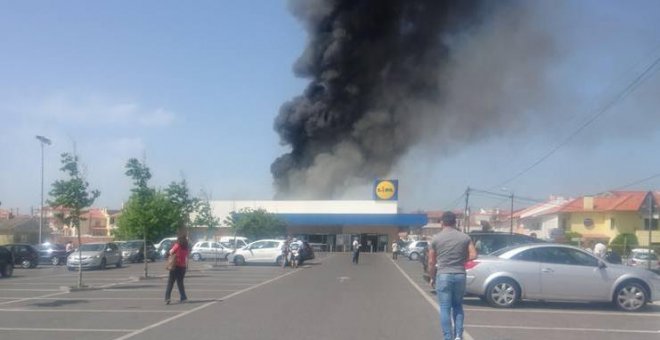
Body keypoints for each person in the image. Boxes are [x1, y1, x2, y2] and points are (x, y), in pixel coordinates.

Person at [428, 211, 477, 340]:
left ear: (442, 222)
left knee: (445, 308)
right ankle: (458, 336)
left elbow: (431, 261)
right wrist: (462, 260)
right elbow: (474, 255)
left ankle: (448, 337)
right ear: (455, 222)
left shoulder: (436, 238)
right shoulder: (465, 237)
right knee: (457, 306)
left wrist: (432, 277)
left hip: (443, 275)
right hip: (460, 274)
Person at [165, 235, 189, 305]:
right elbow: (186, 257)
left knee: (170, 282)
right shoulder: (186, 248)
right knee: (180, 283)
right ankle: (183, 297)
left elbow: (171, 252)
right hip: (183, 267)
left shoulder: (177, 245)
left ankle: (167, 298)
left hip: (175, 266)